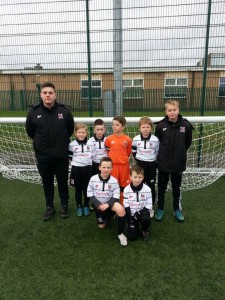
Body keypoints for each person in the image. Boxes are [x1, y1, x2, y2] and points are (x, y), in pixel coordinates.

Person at [25, 82, 74, 220]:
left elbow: (69, 130)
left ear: (55, 95)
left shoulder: (65, 112)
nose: (48, 95)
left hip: (61, 155)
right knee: (47, 182)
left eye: (50, 93)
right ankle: (49, 207)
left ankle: (64, 205)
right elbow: (30, 132)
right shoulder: (33, 113)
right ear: (41, 95)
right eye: (45, 92)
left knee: (62, 181)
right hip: (43, 156)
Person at [154, 99, 194, 222]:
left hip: (178, 162)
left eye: (174, 110)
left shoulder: (186, 125)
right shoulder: (161, 126)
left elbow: (187, 143)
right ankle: (160, 208)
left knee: (177, 187)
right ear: (166, 112)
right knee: (161, 187)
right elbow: (157, 143)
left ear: (178, 110)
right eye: (169, 110)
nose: (172, 112)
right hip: (163, 163)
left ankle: (177, 209)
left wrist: (179, 153)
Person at [87, 157, 127, 246]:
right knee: (101, 226)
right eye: (104, 167)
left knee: (121, 209)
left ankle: (121, 234)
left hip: (110, 204)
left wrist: (108, 204)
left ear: (112, 168)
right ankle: (110, 215)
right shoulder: (93, 179)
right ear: (99, 167)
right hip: (99, 205)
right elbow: (90, 193)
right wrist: (98, 204)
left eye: (109, 167)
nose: (106, 169)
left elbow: (116, 196)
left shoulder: (114, 181)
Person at [132, 116, 159, 218]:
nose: (145, 129)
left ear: (151, 128)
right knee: (139, 184)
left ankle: (150, 207)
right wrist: (139, 159)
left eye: (147, 127)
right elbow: (134, 151)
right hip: (140, 164)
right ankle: (139, 204)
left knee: (151, 186)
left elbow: (157, 152)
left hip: (151, 165)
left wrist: (151, 160)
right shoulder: (136, 139)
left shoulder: (155, 140)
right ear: (139, 128)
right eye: (143, 127)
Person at [104, 116, 132, 204]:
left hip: (124, 166)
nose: (114, 127)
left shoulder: (127, 139)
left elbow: (128, 152)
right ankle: (112, 205)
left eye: (117, 125)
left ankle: (123, 204)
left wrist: (121, 159)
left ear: (123, 126)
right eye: (113, 125)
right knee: (113, 185)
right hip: (113, 166)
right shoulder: (108, 139)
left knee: (124, 185)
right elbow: (108, 151)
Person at [69, 123, 93, 217]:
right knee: (78, 189)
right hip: (76, 169)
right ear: (75, 133)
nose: (81, 134)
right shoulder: (71, 145)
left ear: (86, 133)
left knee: (87, 188)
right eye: (79, 132)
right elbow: (70, 157)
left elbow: (93, 155)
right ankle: (79, 206)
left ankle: (86, 205)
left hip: (87, 169)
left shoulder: (91, 144)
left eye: (83, 132)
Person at [123, 165, 152, 242]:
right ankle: (131, 225)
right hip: (132, 215)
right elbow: (126, 206)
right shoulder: (126, 190)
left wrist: (139, 213)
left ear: (143, 177)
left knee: (146, 219)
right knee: (132, 237)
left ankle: (144, 230)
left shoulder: (147, 189)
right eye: (135, 177)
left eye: (139, 177)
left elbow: (149, 205)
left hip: (142, 213)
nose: (137, 179)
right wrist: (131, 221)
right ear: (130, 177)